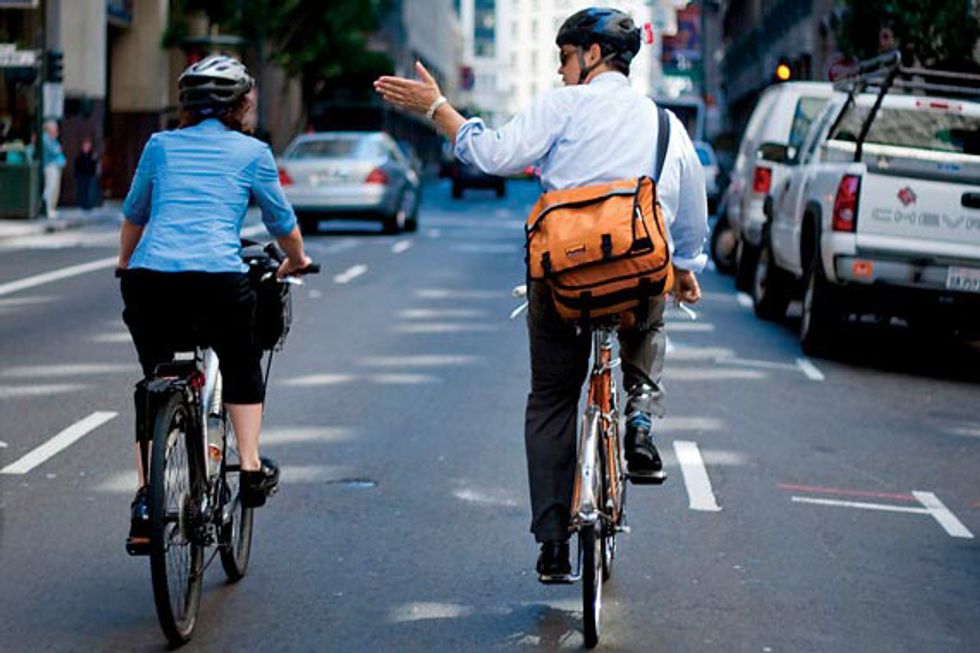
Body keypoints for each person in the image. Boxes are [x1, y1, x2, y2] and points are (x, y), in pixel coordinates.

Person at [374, 7, 707, 579]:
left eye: (564, 59)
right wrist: (685, 265)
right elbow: (690, 218)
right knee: (651, 304)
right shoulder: (664, 125)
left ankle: (553, 543)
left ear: (593, 55)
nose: (559, 72)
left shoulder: (560, 108)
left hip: (562, 280)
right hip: (633, 278)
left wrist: (438, 109)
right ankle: (641, 420)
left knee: (552, 399)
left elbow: (494, 155)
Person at [118, 54, 312, 551]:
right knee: (241, 360)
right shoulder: (252, 152)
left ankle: (146, 500)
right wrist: (297, 260)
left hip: (150, 281)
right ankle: (248, 468)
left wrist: (124, 263)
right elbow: (281, 223)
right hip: (218, 282)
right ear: (241, 103)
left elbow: (135, 214)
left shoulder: (159, 145)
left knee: (155, 378)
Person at [42, 119, 66, 218]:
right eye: (55, 128)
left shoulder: (52, 138)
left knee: (55, 189)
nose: (56, 130)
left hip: (56, 166)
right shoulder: (46, 138)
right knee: (50, 188)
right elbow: (55, 150)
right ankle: (47, 209)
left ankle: (52, 208)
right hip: (50, 166)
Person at [73, 137, 99, 210]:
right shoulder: (79, 155)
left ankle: (89, 204)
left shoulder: (93, 155)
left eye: (88, 145)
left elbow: (94, 165)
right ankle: (82, 204)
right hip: (81, 174)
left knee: (89, 190)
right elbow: (77, 165)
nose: (86, 147)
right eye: (85, 145)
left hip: (90, 174)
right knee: (82, 190)